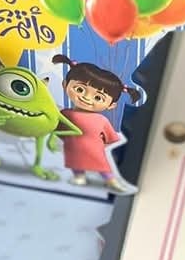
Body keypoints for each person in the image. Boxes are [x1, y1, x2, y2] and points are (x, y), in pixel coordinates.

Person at [52, 54, 141, 193]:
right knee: (75, 162)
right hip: (72, 148)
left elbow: (111, 139)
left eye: (98, 97)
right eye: (80, 89)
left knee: (102, 166)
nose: (86, 98)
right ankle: (79, 176)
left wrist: (99, 147)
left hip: (95, 150)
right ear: (65, 84)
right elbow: (57, 130)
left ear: (111, 105)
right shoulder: (65, 114)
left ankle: (111, 181)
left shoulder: (101, 120)